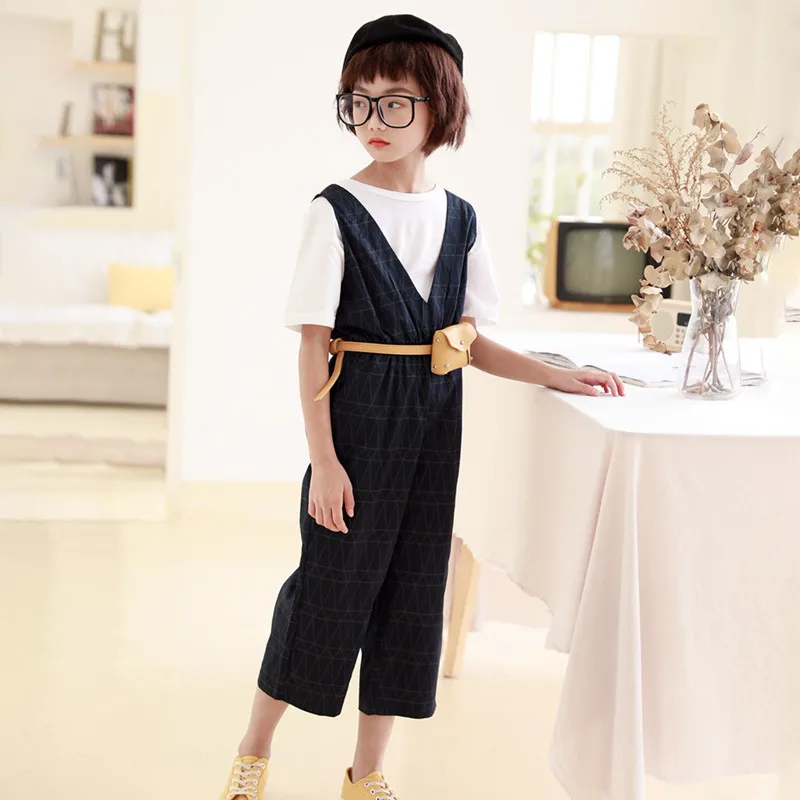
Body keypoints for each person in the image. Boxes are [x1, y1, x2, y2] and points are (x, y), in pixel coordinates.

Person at [218, 13, 624, 800]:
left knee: (410, 599)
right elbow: (312, 346)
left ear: (440, 107)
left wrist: (555, 375)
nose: (373, 119)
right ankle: (253, 748)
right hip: (358, 426)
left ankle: (366, 772)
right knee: (325, 593)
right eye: (359, 101)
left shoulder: (460, 217)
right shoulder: (334, 211)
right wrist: (325, 464)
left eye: (395, 101)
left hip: (435, 430)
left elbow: (467, 341)